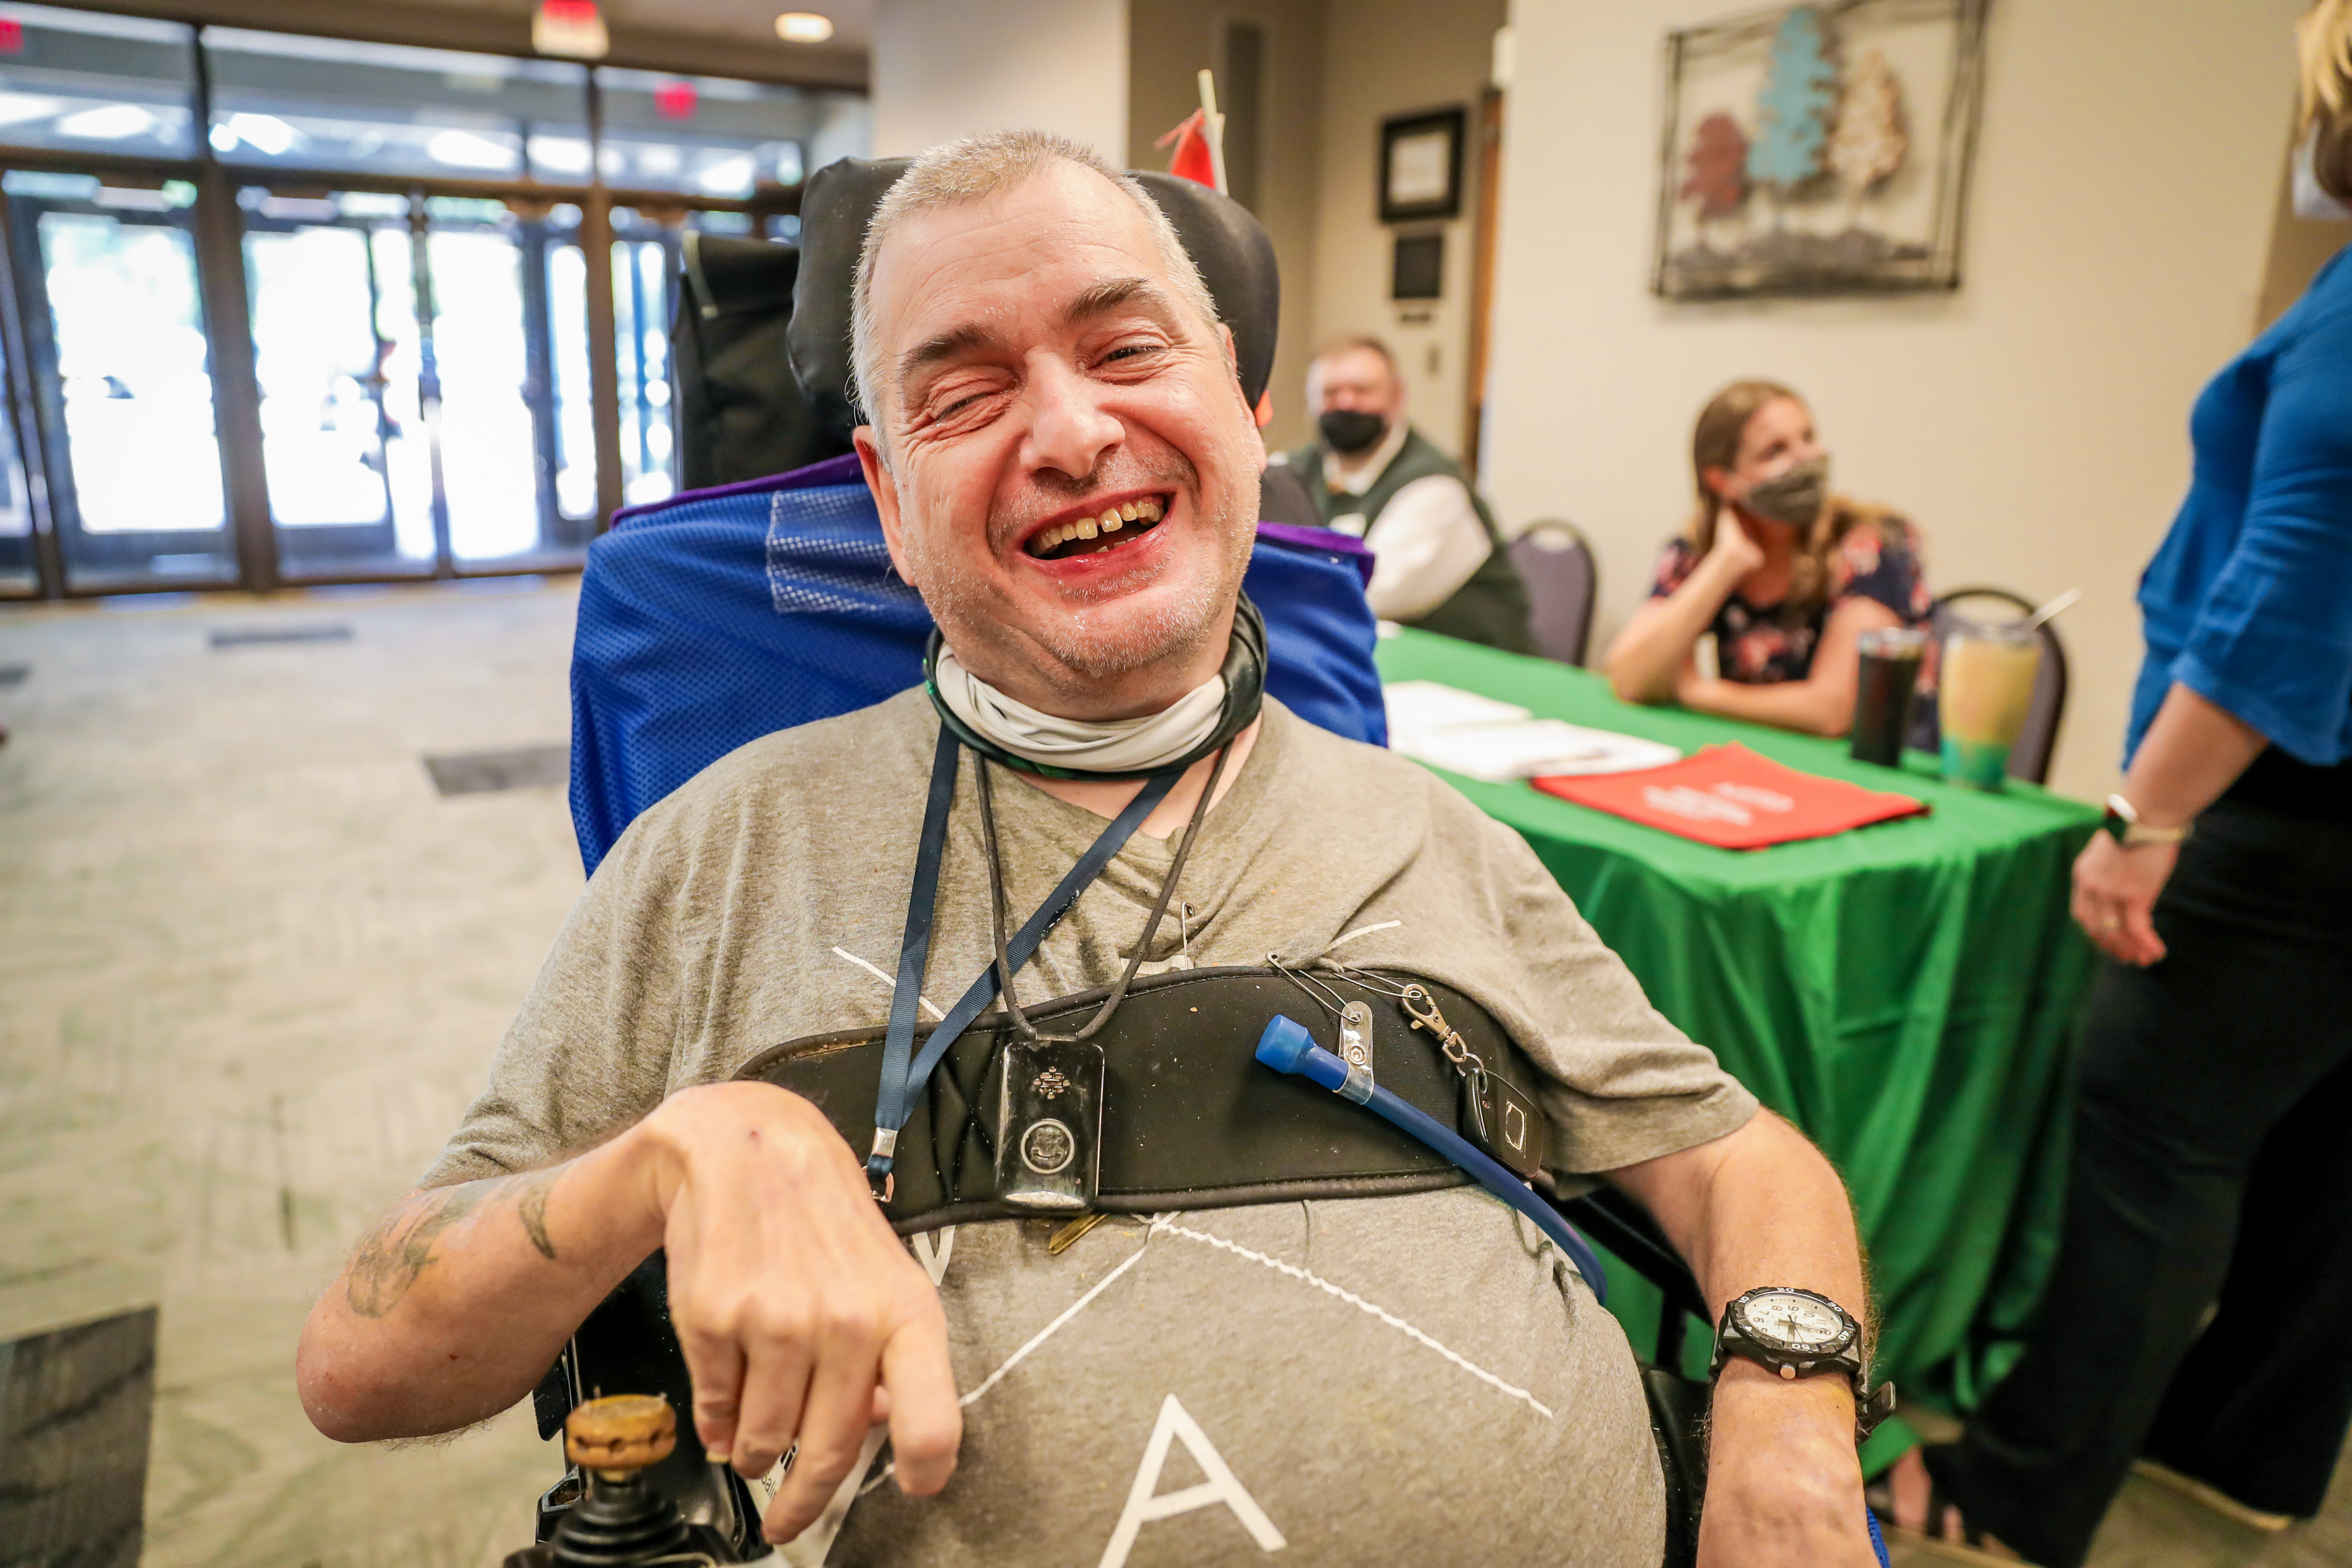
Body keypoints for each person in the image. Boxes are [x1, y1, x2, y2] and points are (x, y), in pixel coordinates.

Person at [296, 131, 1884, 1567]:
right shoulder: (723, 847)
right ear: (889, 500)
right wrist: (672, 1152)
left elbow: (1743, 1158)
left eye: (1127, 347)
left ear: (1245, 416)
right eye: (965, 392)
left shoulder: (1436, 834)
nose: (1071, 430)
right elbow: (361, 1364)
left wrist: (1795, 1406)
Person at [1876, 9, 2352, 1563]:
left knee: (2157, 1153)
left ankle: (2010, 1494)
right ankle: (2249, 1454)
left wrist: (2149, 816)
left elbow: (2291, 591)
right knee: (2323, 1154)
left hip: (2278, 817)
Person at [1604, 381, 1930, 737]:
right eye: (1775, 451)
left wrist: (1698, 692)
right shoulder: (1701, 552)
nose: (1807, 458)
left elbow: (1833, 710)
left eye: (1808, 437)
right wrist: (1725, 565)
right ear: (1722, 481)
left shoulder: (1871, 544)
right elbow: (1629, 677)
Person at [1274, 335, 1535, 651]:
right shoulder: (1293, 468)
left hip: (1475, 668)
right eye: (1330, 393)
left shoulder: (1435, 487)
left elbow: (1368, 594)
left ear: (1397, 397)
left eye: (1363, 390)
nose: (1345, 404)